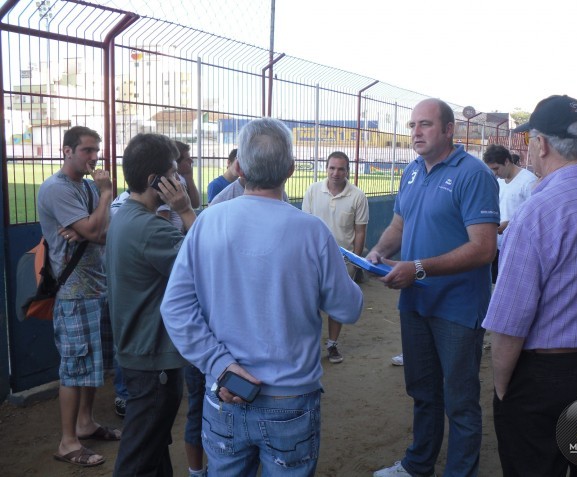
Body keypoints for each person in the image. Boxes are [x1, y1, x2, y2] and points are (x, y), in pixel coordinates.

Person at [161, 117, 363, 476]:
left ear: (239, 168)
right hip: (291, 400)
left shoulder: (208, 222)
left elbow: (175, 308)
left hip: (226, 392)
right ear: (290, 169)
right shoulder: (312, 232)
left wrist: (219, 364)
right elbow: (348, 308)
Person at [483, 95, 577, 477]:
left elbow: (508, 323)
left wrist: (503, 391)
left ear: (543, 144)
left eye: (530, 140)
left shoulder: (538, 212)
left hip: (549, 376)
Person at [369, 98, 500, 477]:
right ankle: (418, 464)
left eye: (425, 125)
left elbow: (484, 248)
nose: (415, 133)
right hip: (415, 303)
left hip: (457, 308)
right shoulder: (411, 170)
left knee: (460, 401)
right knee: (423, 392)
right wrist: (378, 251)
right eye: (412, 126)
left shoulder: (473, 174)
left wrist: (419, 268)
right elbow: (399, 224)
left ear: (448, 130)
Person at [105, 133, 197, 476]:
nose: (180, 180)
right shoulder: (150, 230)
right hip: (152, 357)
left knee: (154, 446)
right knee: (138, 456)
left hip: (141, 353)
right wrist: (185, 210)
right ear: (152, 181)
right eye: (174, 174)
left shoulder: (126, 217)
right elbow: (209, 264)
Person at [38, 125, 120, 468]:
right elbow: (97, 230)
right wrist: (104, 196)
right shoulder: (57, 189)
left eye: (96, 151)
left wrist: (91, 226)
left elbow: (106, 231)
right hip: (73, 294)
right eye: (87, 150)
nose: (94, 157)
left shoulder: (84, 187)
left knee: (92, 365)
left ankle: (85, 424)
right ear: (66, 151)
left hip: (96, 288)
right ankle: (68, 441)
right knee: (74, 367)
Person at [302, 151, 369, 363]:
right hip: (312, 259)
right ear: (326, 168)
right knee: (308, 302)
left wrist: (356, 261)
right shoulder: (313, 191)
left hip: (343, 261)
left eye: (341, 169)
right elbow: (304, 227)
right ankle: (310, 346)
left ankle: (332, 345)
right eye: (332, 168)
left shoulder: (358, 196)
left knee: (336, 304)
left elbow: (360, 231)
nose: (336, 173)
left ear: (347, 171)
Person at [482, 144, 536, 283]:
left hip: (516, 247)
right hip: (497, 245)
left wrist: (509, 224)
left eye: (496, 168)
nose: (494, 173)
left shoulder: (528, 181)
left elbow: (533, 215)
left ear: (507, 161)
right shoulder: (499, 182)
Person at [157, 140, 201, 231]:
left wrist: (189, 178)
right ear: (176, 162)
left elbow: (196, 204)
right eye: (187, 159)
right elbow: (164, 224)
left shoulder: (182, 179)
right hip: (175, 237)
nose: (191, 161)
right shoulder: (167, 184)